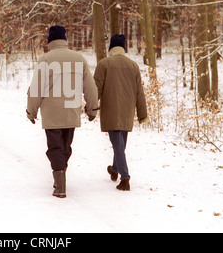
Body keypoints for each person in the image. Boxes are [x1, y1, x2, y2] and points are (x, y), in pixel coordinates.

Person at [26, 25, 99, 198]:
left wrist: (31, 111)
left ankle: (60, 183)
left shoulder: (45, 59)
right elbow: (90, 86)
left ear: (50, 41)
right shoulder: (78, 58)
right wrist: (92, 108)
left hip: (51, 113)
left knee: (55, 148)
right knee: (65, 147)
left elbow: (36, 89)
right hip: (71, 110)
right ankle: (60, 177)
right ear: (64, 39)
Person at [93, 34, 147, 191]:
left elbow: (96, 89)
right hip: (127, 110)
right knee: (120, 144)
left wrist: (91, 107)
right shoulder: (133, 66)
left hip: (111, 109)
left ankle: (125, 178)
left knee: (117, 144)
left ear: (111, 48)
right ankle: (115, 170)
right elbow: (139, 92)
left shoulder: (104, 64)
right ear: (123, 47)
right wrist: (142, 113)